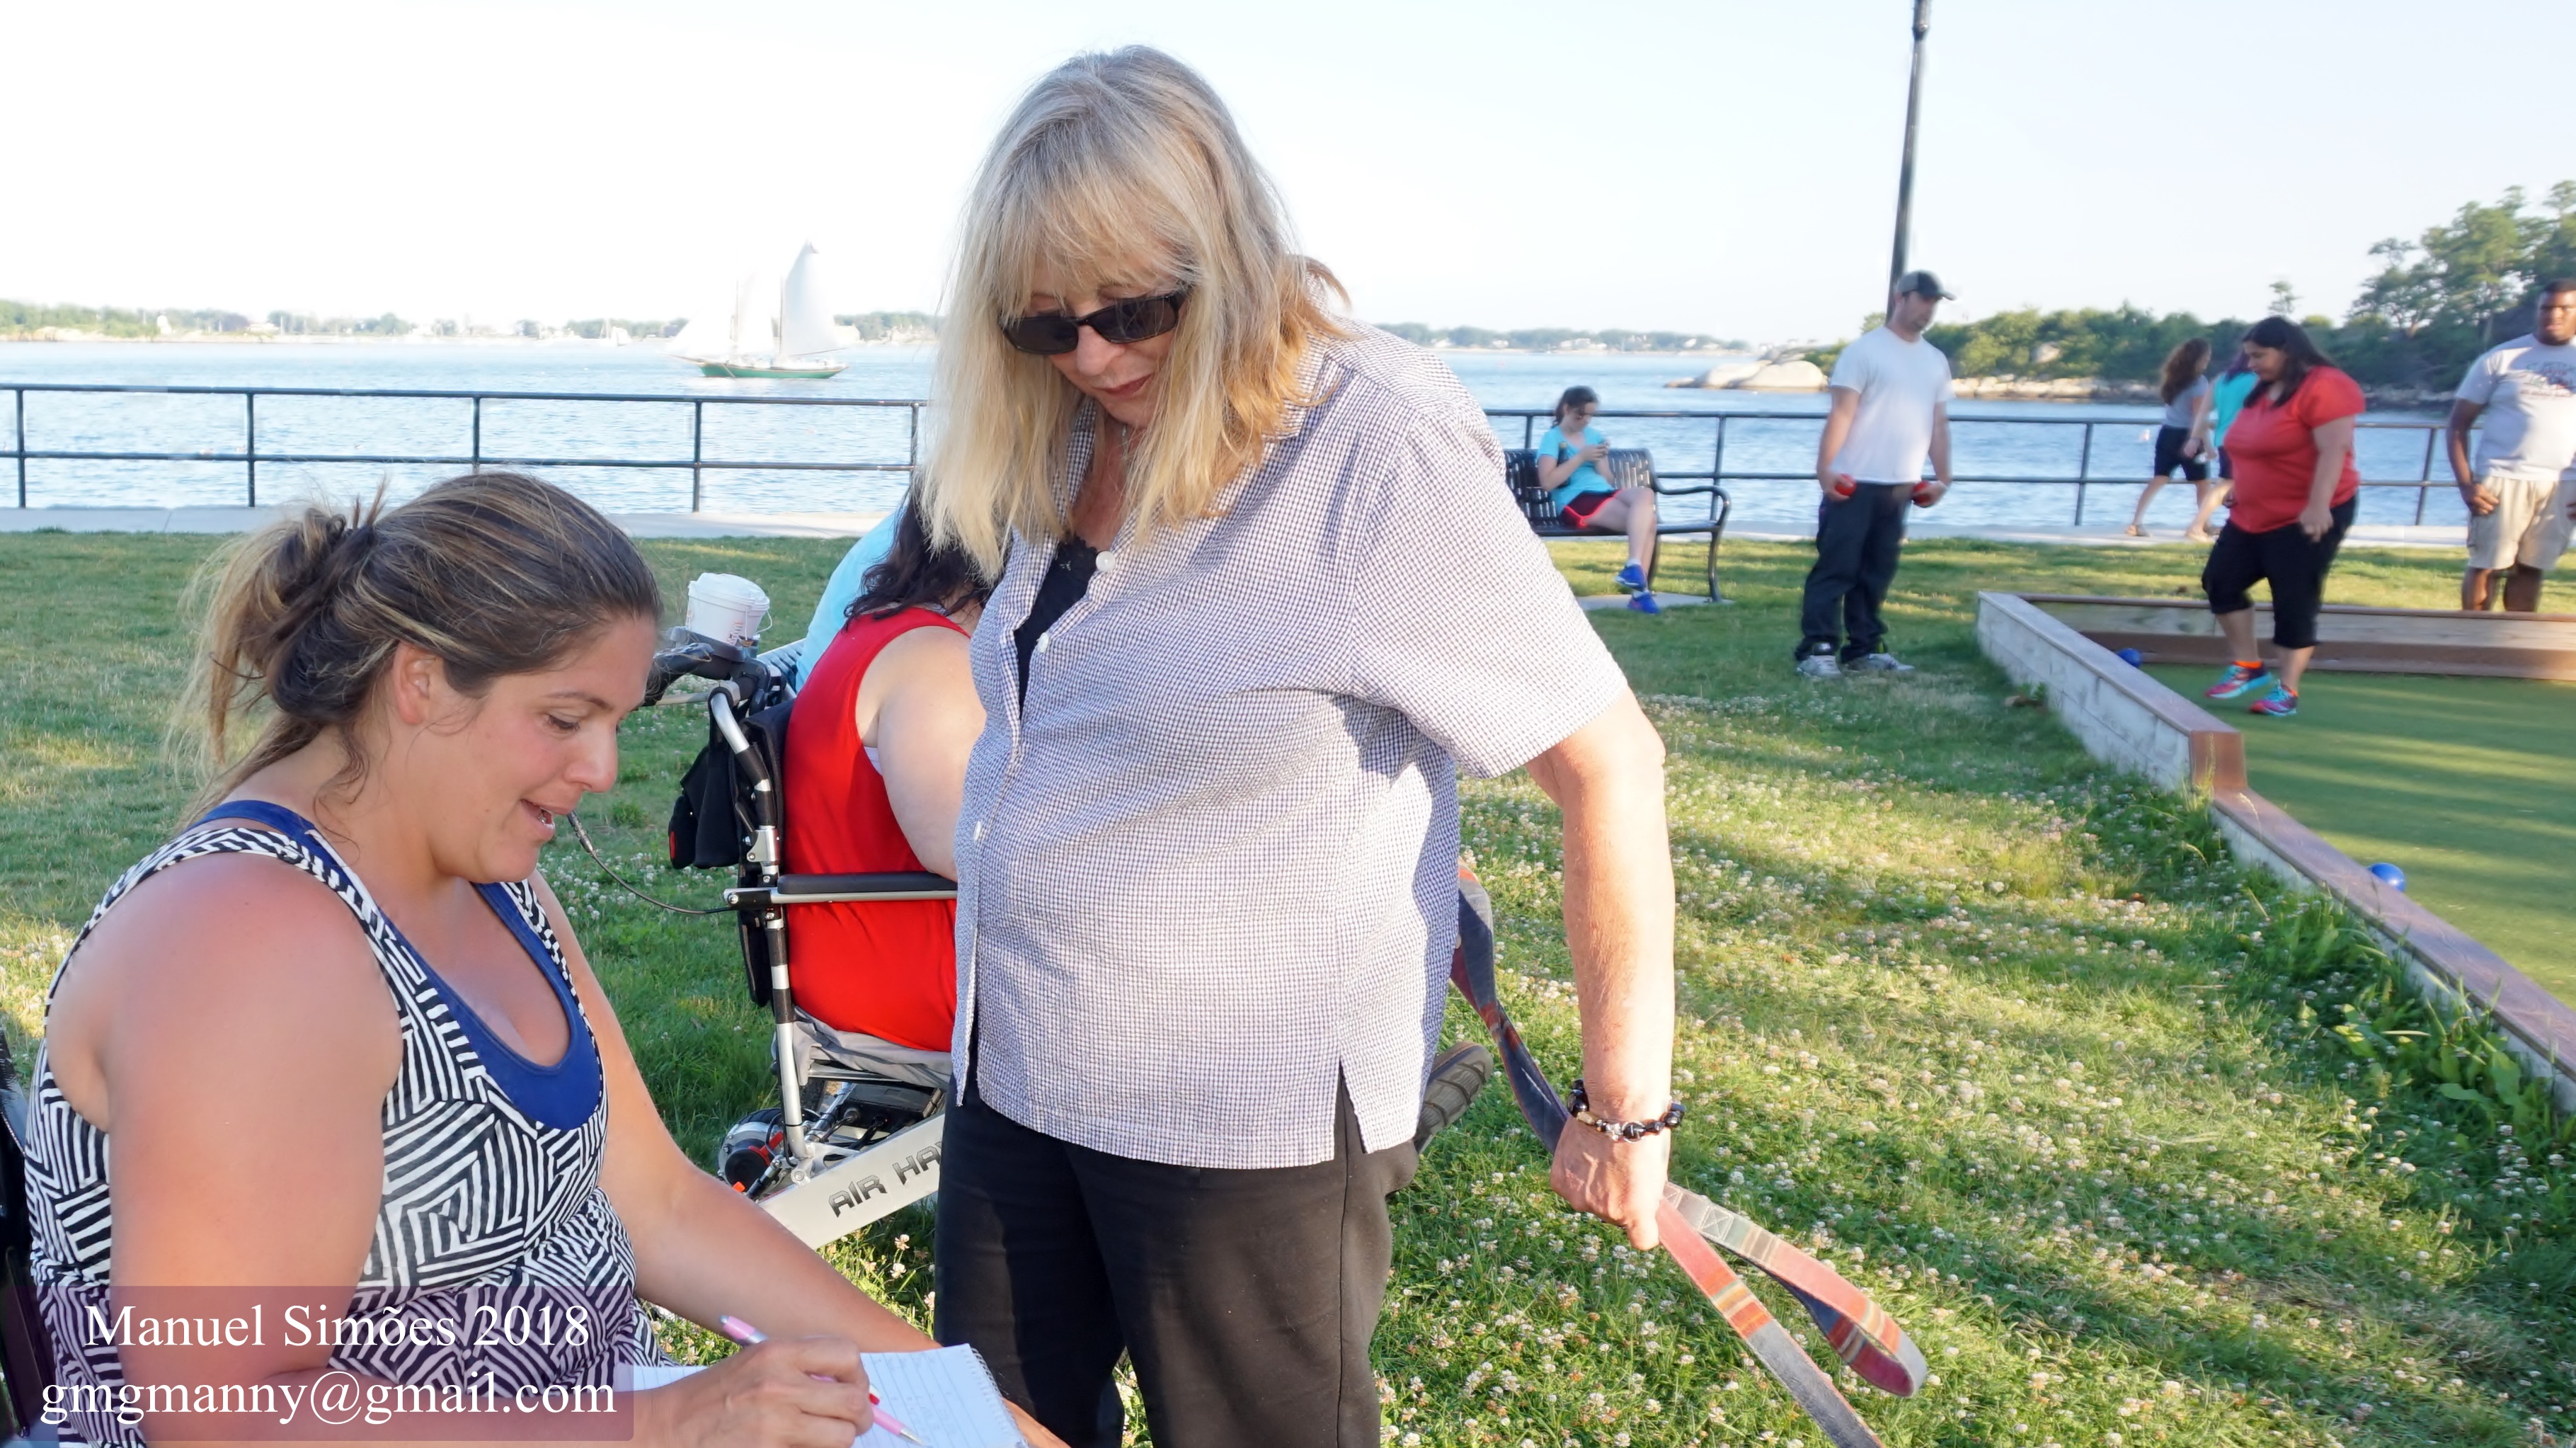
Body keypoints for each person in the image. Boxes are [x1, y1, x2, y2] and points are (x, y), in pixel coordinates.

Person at [919, 47, 1677, 1448]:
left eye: (1132, 311)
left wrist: (1624, 1106)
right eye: (1042, 325)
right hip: (1011, 1066)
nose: (1093, 357)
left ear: (1225, 252)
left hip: (1240, 1120)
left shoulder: (1372, 442)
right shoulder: (1059, 433)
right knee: (979, 1429)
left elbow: (1606, 760)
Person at [23, 472, 1062, 1448]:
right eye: (564, 720)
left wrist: (967, 1405)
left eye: (612, 722)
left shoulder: (489, 878)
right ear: (420, 682)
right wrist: (663, 1422)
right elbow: (218, 1413)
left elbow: (658, 1207)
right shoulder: (245, 939)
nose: (602, 769)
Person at [782, 503, 988, 1052]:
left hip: (855, 953)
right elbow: (962, 852)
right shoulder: (936, 662)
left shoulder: (881, 625)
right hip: (909, 973)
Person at [2199, 317, 2364, 717]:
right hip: (2252, 511)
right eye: (2248, 356)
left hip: (2307, 513)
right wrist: (2241, 486)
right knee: (2221, 581)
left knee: (2293, 596)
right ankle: (2248, 665)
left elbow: (2334, 450)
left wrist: (2318, 505)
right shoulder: (2263, 388)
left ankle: (2287, 690)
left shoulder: (2327, 385)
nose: (2250, 364)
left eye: (2259, 356)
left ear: (2287, 350)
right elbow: (2251, 445)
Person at [1795, 269, 1956, 678]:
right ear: (1900, 298)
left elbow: (1938, 423)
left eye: (1935, 302)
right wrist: (1825, 470)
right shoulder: (1864, 352)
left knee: (1877, 571)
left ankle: (1864, 648)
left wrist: (1943, 478)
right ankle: (1818, 648)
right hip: (1854, 479)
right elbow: (1841, 414)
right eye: (1923, 299)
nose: (1929, 309)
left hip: (1901, 483)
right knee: (1837, 567)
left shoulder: (1935, 360)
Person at [2446, 278, 2576, 612]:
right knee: (2487, 565)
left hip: (2563, 484)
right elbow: (2458, 425)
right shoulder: (2502, 358)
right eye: (2547, 308)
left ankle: (2516, 639)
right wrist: (2467, 484)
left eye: (2565, 308)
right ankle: (2474, 637)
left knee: (2532, 568)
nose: (2554, 315)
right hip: (2503, 478)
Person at [1535, 384, 1663, 613]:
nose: (1585, 421)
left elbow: (1608, 479)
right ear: (1567, 409)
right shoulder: (1552, 438)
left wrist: (1599, 459)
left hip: (1602, 492)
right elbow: (1547, 482)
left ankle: (1633, 566)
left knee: (1646, 494)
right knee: (1649, 522)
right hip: (1576, 500)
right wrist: (1580, 457)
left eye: (1590, 416)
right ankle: (1639, 594)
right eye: (1581, 415)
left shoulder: (1594, 436)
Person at [2126, 338, 2214, 539]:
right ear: (2199, 359)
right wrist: (2207, 445)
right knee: (2202, 482)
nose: (2208, 361)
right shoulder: (2199, 382)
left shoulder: (2173, 378)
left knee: (2159, 478)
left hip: (2168, 433)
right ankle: (2204, 524)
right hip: (2188, 435)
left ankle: (2136, 522)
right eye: (2206, 357)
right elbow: (2198, 417)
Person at [2200, 341, 2261, 539]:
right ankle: (2197, 525)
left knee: (2235, 483)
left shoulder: (2223, 379)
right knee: (2227, 483)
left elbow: (2206, 410)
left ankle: (2241, 524)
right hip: (2243, 439)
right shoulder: (2256, 380)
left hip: (2222, 437)